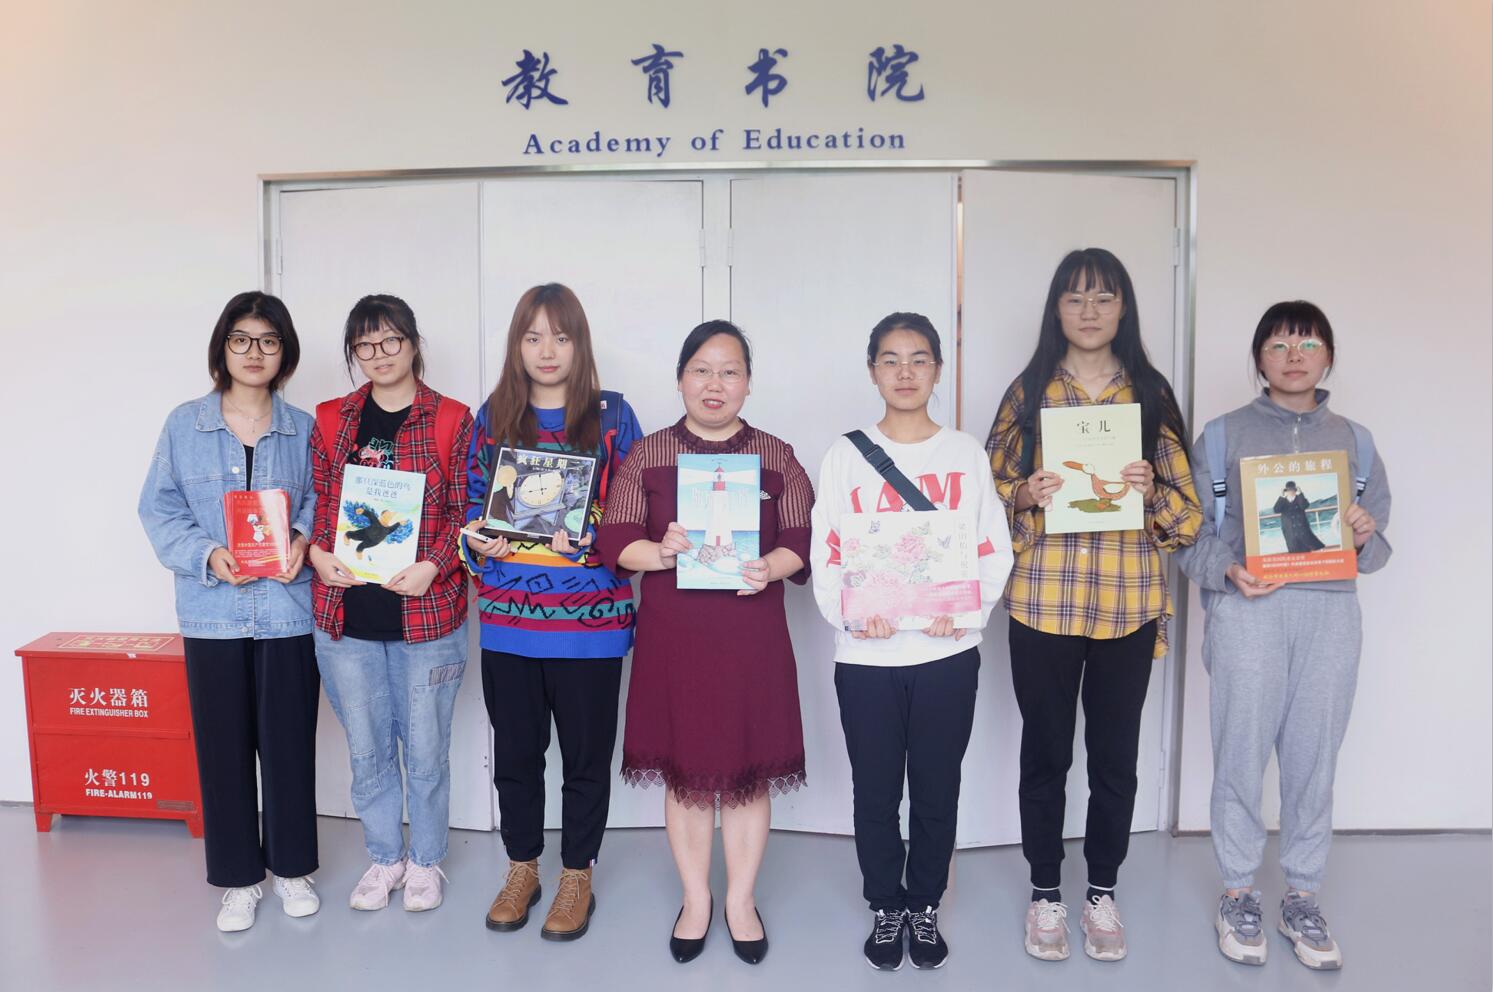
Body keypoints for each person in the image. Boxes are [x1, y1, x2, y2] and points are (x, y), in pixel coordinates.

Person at [987, 248, 1201, 962]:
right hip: (1042, 602)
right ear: (1056, 308)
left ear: (1123, 309)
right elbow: (984, 496)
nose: (1088, 311)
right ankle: (1045, 892)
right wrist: (1024, 493)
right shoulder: (1028, 393)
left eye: (1103, 298)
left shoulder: (1150, 394)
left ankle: (1101, 891)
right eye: (1074, 298)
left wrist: (1148, 491)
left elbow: (1187, 519)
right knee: (1044, 754)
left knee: (1114, 759)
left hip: (1126, 603)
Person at [1175, 301, 1390, 971]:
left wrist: (1363, 534)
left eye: (1308, 343)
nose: (1293, 356)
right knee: (1240, 752)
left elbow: (1376, 551)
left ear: (1328, 357)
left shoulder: (1356, 443)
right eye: (1277, 345)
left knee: (1313, 758)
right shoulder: (1220, 437)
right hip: (1248, 611)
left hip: (1330, 615)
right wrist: (1228, 571)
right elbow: (1186, 536)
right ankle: (1238, 892)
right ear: (1258, 358)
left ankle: (1302, 896)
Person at [595, 320, 813, 966]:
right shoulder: (649, 454)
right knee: (686, 775)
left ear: (747, 383)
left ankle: (740, 900)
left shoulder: (775, 456)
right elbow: (616, 541)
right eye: (701, 370)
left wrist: (769, 566)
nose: (714, 384)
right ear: (680, 379)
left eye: (729, 371)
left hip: (752, 639)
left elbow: (801, 540)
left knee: (747, 773)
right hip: (676, 640)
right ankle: (696, 899)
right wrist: (661, 552)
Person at [810, 313, 1014, 971]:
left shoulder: (963, 454)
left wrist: (964, 613)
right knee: (874, 791)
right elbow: (826, 547)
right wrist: (850, 615)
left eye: (918, 359)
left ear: (937, 370)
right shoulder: (845, 456)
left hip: (945, 655)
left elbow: (992, 545)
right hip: (866, 657)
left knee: (935, 788)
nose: (905, 372)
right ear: (872, 370)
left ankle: (923, 904)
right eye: (891, 360)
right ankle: (884, 905)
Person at [460, 284, 643, 941]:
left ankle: (576, 875)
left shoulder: (613, 416)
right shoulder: (494, 416)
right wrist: (478, 538)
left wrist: (592, 539)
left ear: (578, 344)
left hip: (590, 627)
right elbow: (471, 504)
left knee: (586, 761)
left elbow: (635, 512)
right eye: (532, 336)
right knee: (516, 757)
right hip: (509, 622)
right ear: (517, 345)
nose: (546, 350)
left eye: (560, 337)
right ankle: (522, 869)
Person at [137, 291, 320, 932]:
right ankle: (240, 880)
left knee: (289, 745)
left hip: (287, 611)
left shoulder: (304, 428)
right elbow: (159, 509)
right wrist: (207, 554)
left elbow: (321, 499)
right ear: (223, 347)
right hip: (212, 614)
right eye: (241, 339)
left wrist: (301, 538)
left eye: (268, 341)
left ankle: (292, 869)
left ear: (284, 352)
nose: (254, 352)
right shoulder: (184, 424)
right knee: (223, 749)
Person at [306, 294, 473, 914]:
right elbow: (319, 501)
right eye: (365, 346)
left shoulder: (451, 418)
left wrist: (435, 565)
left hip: (427, 616)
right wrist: (318, 552)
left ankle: (426, 860)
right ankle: (384, 857)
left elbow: (469, 509)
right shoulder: (332, 419)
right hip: (346, 616)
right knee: (368, 749)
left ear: (413, 343)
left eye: (390, 341)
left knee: (426, 751)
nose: (378, 355)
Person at [1274, 481, 1326, 553]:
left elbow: (1304, 506)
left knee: (1306, 550)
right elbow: (1276, 510)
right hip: (1290, 531)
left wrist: (1300, 493)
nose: (1291, 492)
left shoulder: (1300, 498)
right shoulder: (1283, 501)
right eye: (1289, 490)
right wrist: (1281, 496)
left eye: (1292, 490)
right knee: (1294, 551)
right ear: (1286, 491)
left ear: (1295, 490)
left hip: (1302, 530)